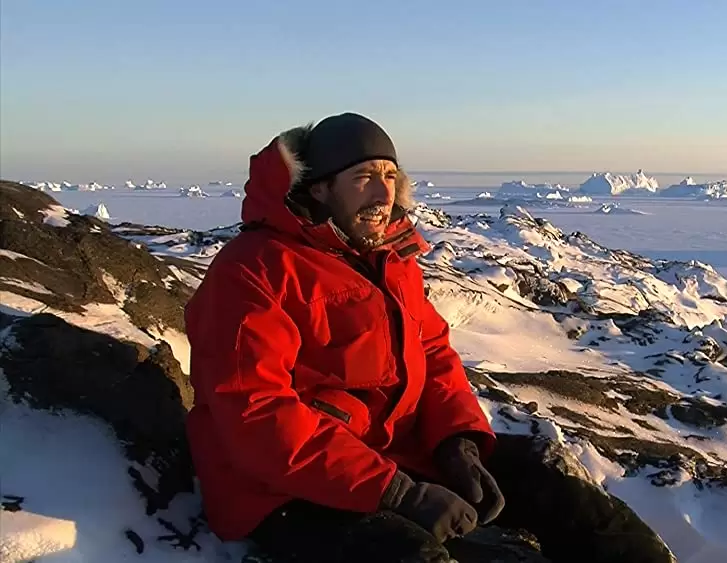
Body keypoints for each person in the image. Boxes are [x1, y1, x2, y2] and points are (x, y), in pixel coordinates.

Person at [184, 113, 674, 563]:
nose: (382, 194)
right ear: (317, 189)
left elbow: (434, 356)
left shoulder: (388, 260)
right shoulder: (253, 270)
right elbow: (256, 414)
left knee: (564, 497)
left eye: (390, 177)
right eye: (362, 178)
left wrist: (456, 443)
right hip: (284, 490)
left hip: (393, 458)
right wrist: (396, 494)